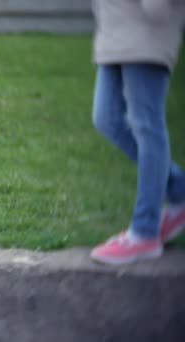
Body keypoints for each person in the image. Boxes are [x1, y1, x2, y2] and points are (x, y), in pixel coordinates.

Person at [90, 0, 185, 265]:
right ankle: (178, 189)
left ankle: (145, 232)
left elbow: (158, 8)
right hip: (114, 33)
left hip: (146, 34)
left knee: (147, 126)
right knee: (106, 119)